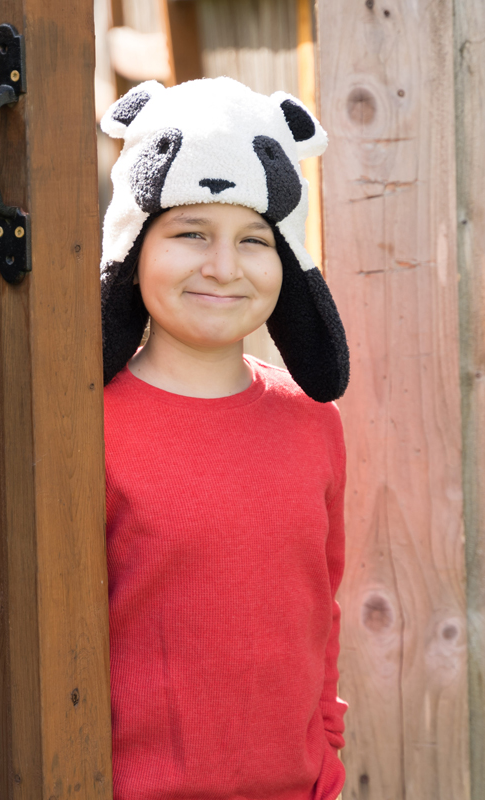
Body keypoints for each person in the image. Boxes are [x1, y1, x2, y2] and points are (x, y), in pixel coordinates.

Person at [99, 77, 351, 800]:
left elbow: (319, 606)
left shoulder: (313, 421)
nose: (223, 267)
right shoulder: (88, 430)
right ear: (136, 244)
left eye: (253, 241)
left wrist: (327, 751)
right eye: (190, 234)